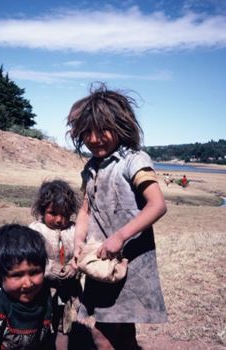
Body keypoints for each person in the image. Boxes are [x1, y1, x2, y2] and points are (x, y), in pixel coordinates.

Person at [66, 83, 168, 349]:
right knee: (121, 325)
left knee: (102, 332)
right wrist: (79, 241)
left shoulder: (133, 160)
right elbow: (85, 209)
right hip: (101, 262)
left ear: (121, 126)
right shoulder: (90, 167)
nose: (95, 138)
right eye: (87, 132)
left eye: (103, 130)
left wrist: (120, 237)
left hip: (130, 259)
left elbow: (157, 205)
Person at [29, 179, 85, 350]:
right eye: (53, 213)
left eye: (65, 214)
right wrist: (49, 269)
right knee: (38, 324)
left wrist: (74, 268)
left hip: (69, 290)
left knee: (64, 325)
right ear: (41, 210)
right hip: (41, 290)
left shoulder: (75, 231)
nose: (60, 220)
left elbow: (83, 254)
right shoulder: (35, 230)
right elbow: (30, 259)